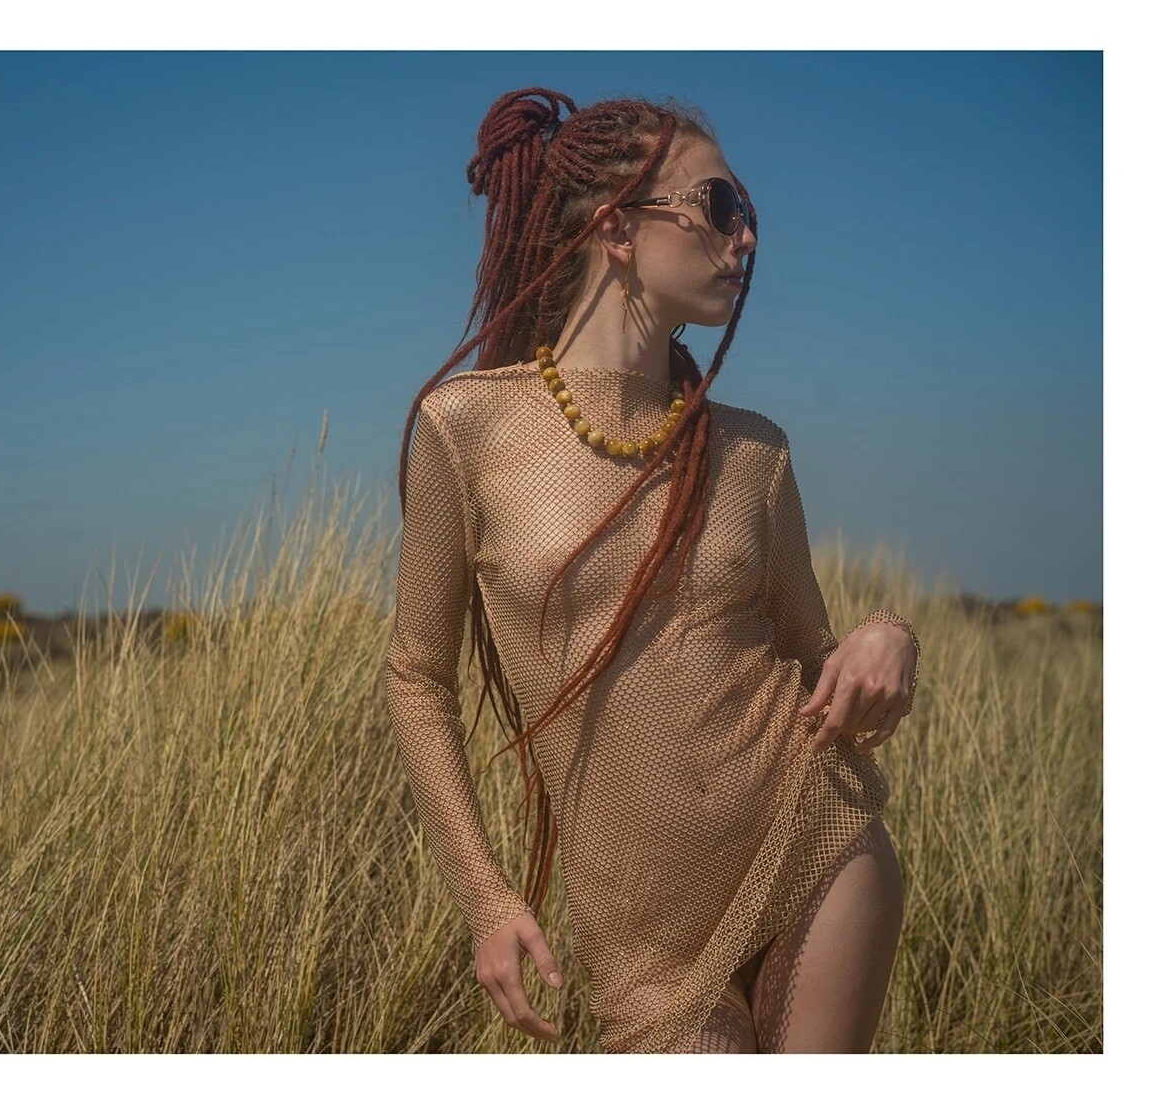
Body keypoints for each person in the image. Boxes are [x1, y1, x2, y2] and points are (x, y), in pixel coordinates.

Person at [382, 87, 921, 1054]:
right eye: (720, 204)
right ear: (617, 229)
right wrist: (486, 896)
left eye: (748, 211)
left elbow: (815, 655)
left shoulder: (754, 452)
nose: (746, 236)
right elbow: (416, 677)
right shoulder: (467, 429)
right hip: (647, 957)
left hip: (814, 842)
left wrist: (889, 641)